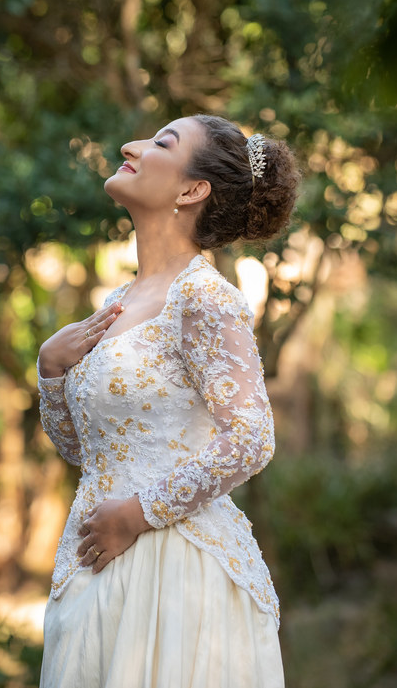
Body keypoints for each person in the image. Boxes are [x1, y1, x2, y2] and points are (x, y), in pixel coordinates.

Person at [36, 114, 300, 688]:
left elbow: (252, 439)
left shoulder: (203, 297)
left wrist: (137, 514)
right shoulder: (116, 303)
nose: (131, 145)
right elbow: (87, 451)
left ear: (192, 190)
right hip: (96, 566)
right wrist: (52, 371)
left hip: (175, 573)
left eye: (162, 143)